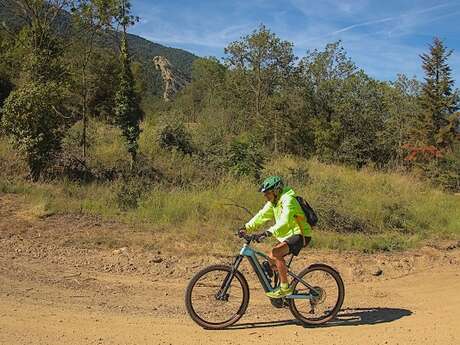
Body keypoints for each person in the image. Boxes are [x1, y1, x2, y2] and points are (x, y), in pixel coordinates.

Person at [241, 176, 312, 298]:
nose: (266, 196)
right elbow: (261, 216)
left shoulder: (288, 200)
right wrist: (246, 227)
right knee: (271, 258)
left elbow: (284, 221)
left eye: (267, 193)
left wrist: (267, 232)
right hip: (288, 235)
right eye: (265, 194)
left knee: (276, 252)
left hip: (300, 234)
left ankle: (285, 288)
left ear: (276, 190)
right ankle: (280, 292)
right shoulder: (273, 202)